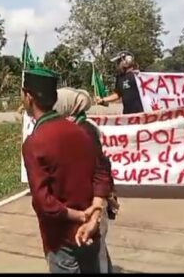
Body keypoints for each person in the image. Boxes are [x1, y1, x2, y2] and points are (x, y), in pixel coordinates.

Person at [20, 67, 112, 274]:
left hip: (60, 238)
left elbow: (44, 203)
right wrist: (95, 212)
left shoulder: (35, 143)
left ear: (28, 96)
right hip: (91, 231)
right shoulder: (84, 130)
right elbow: (103, 170)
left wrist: (79, 216)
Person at [55, 88, 120, 273]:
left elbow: (100, 167)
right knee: (96, 252)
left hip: (92, 203)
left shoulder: (84, 131)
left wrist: (103, 199)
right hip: (89, 200)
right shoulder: (78, 127)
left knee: (94, 254)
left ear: (67, 106)